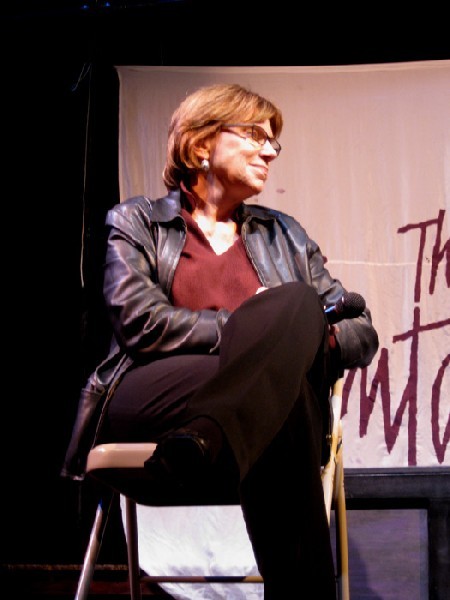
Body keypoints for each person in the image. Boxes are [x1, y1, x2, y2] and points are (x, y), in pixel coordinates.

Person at [62, 82, 379, 599]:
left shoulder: (286, 235)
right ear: (200, 144)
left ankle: (208, 434)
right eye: (255, 135)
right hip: (154, 400)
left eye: (274, 141)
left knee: (296, 317)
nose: (270, 151)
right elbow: (141, 322)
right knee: (283, 370)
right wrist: (257, 329)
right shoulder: (136, 222)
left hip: (203, 445)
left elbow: (361, 330)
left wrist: (300, 334)